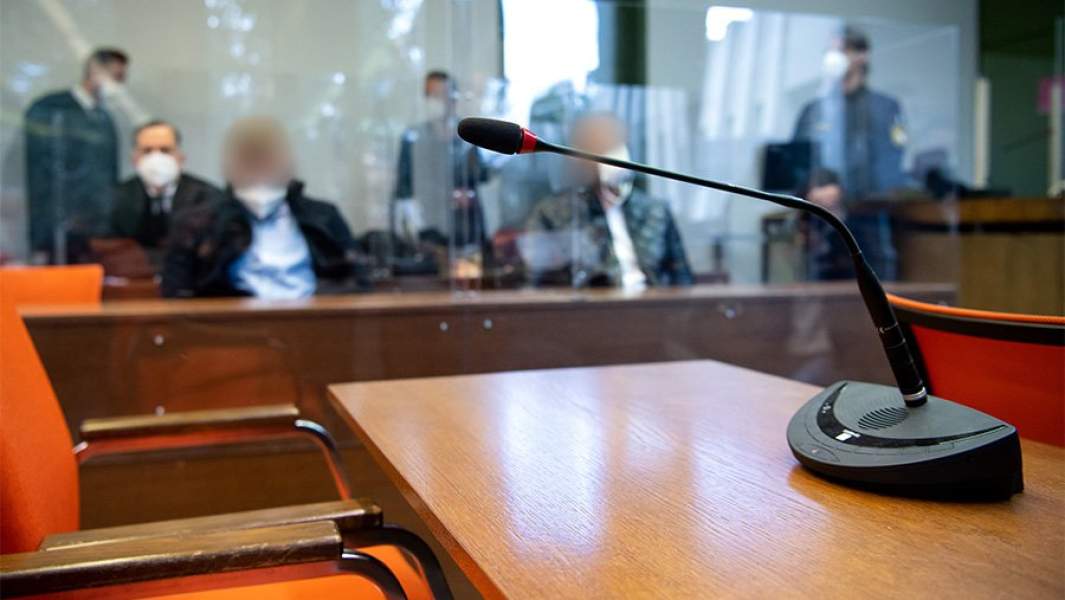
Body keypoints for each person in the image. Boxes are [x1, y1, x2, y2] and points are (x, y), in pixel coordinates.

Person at [162, 117, 365, 298]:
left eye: (268, 156)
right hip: (233, 326)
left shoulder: (323, 218)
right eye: (249, 157)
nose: (259, 166)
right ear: (230, 165)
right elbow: (178, 297)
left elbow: (359, 282)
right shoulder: (197, 225)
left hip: (315, 322)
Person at [522, 112, 692, 289]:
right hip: (593, 305)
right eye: (600, 145)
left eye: (615, 143)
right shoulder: (553, 213)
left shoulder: (655, 211)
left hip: (652, 302)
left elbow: (682, 278)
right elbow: (534, 283)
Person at [792, 26, 907, 280]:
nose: (834, 57)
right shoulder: (814, 110)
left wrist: (843, 194)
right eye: (830, 51)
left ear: (862, 55)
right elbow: (797, 163)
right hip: (820, 230)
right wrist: (812, 191)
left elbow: (889, 167)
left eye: (842, 50)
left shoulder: (885, 108)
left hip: (868, 227)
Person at [24, 47, 128, 264]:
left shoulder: (103, 117)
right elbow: (40, 174)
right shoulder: (52, 109)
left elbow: (108, 173)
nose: (120, 85)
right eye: (116, 77)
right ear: (95, 70)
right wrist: (42, 233)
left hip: (97, 228)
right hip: (59, 228)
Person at [393, 70, 488, 265]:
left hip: (465, 229)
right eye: (429, 95)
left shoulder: (469, 132)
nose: (434, 101)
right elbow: (404, 185)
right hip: (427, 230)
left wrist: (467, 194)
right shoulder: (413, 137)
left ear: (453, 98)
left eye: (439, 95)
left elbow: (482, 175)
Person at [110, 120, 222, 266]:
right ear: (135, 159)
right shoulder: (116, 198)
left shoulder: (208, 198)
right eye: (147, 151)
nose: (156, 159)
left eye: (165, 150)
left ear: (180, 157)